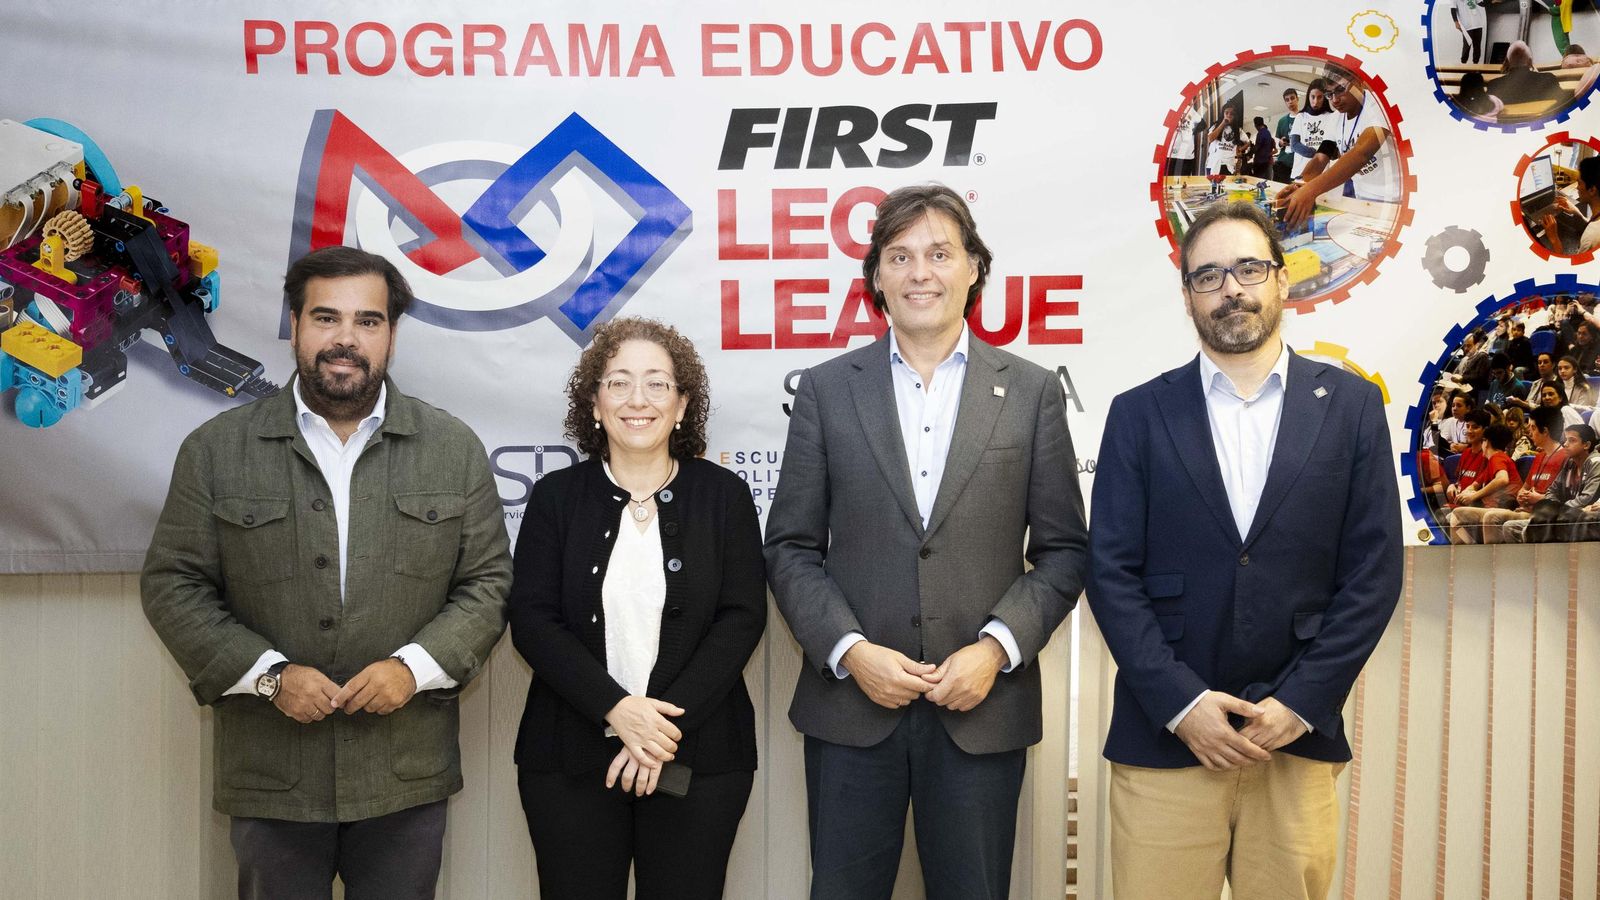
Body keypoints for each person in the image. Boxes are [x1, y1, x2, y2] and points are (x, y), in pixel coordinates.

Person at [140, 246, 513, 899]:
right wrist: (268, 678)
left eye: (368, 321)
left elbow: (487, 583)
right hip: (272, 773)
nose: (346, 338)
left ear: (392, 335)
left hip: (404, 773)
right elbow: (173, 584)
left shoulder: (451, 448)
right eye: (326, 317)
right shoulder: (217, 451)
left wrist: (412, 669)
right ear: (294, 323)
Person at [764, 183, 1087, 900]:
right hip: (851, 713)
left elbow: (1064, 552)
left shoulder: (1031, 392)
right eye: (900, 256)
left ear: (974, 267)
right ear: (875, 276)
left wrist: (996, 649)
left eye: (940, 253)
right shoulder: (825, 390)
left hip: (982, 710)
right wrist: (851, 652)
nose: (921, 273)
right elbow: (789, 546)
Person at [1087, 201, 1402, 900]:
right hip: (1165, 740)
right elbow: (1109, 573)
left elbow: (1373, 575)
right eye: (1209, 276)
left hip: (1294, 739)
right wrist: (1181, 703)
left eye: (1249, 268)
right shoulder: (1139, 414)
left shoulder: (1350, 408)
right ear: (1188, 297)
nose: (1232, 288)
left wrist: (1301, 702)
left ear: (1282, 281)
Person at [508, 317, 766, 899]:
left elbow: (742, 617)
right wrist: (616, 711)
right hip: (569, 757)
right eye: (618, 382)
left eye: (656, 383)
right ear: (594, 403)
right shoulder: (555, 498)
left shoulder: (724, 497)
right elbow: (532, 619)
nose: (637, 400)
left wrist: (655, 732)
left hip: (698, 758)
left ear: (681, 405)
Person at [1278, 67, 1399, 228]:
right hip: (1362, 199)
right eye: (1329, 94)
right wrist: (1300, 184)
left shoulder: (1379, 107)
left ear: (1358, 82)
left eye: (1340, 90)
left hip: (1394, 200)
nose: (1334, 100)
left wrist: (1310, 191)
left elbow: (1360, 153)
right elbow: (1321, 157)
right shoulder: (1336, 118)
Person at [1456, 406, 1567, 543]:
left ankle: (1492, 561)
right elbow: (1523, 488)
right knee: (1458, 514)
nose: (1529, 432)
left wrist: (1539, 498)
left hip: (1543, 514)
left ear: (1545, 431)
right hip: (1524, 510)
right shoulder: (1539, 457)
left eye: (1532, 428)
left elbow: (1567, 497)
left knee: (1491, 517)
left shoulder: (1565, 458)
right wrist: (1522, 495)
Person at [1504, 423, 1600, 542]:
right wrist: (1554, 508)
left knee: (1532, 530)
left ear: (1586, 445)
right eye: (1565, 440)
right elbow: (1551, 491)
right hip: (1564, 515)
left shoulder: (1596, 462)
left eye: (1572, 440)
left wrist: (1556, 509)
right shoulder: (1569, 462)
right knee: (1510, 527)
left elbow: (1586, 498)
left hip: (1582, 519)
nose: (1565, 444)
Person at [1488, 41, 1571, 118]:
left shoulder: (1494, 85)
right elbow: (1563, 105)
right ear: (1530, 62)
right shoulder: (1548, 79)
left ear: (1508, 62)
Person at [1541, 157, 1600, 257]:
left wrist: (1554, 239)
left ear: (1592, 190)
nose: (1577, 187)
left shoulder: (1591, 238)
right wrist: (1578, 213)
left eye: (1579, 183)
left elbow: (1573, 270)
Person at [1287, 79, 1339, 181]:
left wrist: (1325, 156)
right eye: (1313, 97)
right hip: (1299, 173)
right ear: (1308, 97)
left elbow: (1334, 150)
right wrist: (1319, 155)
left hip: (1322, 175)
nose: (1315, 101)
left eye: (1320, 97)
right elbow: (1294, 145)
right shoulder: (1300, 117)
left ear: (1325, 98)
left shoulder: (1332, 117)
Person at [1273, 89, 1299, 182]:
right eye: (1287, 100)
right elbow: (1276, 142)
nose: (1290, 102)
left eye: (1292, 98)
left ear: (1297, 99)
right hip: (1283, 163)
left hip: (1299, 164)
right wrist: (1280, 143)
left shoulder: (1304, 118)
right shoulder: (1282, 121)